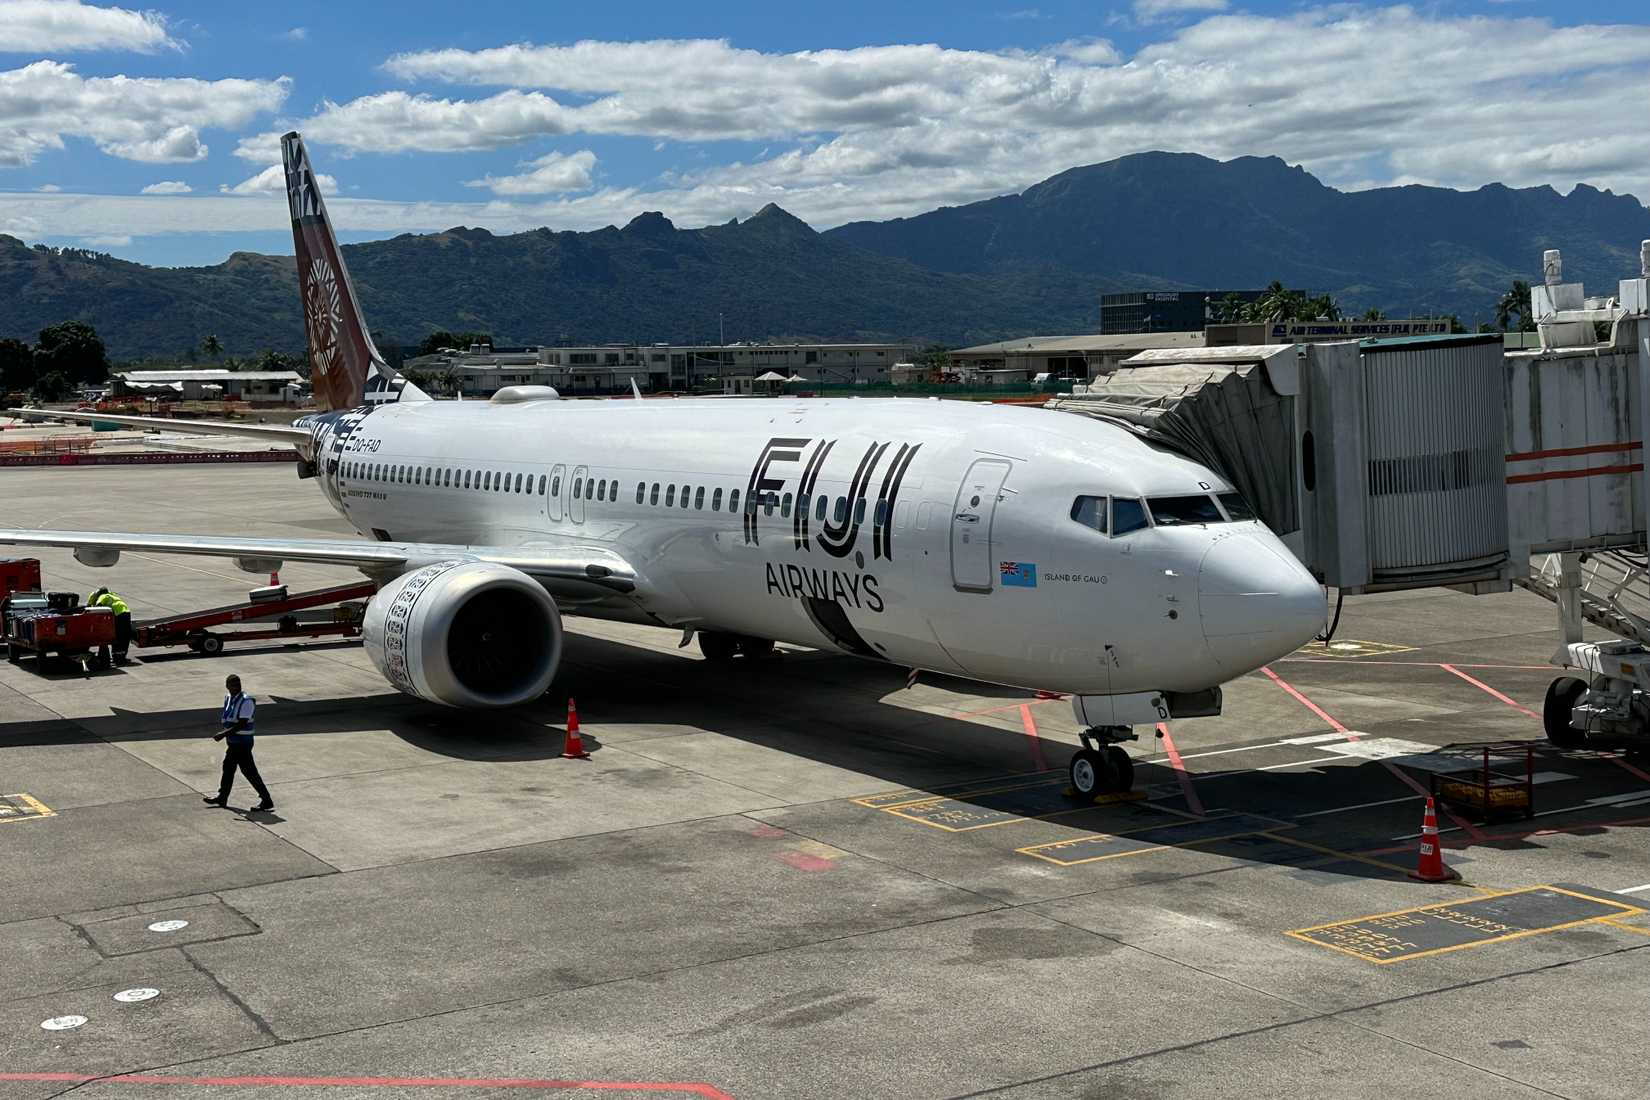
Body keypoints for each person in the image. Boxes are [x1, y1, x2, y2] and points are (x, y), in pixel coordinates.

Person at [203, 674, 274, 812]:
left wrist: (223, 734)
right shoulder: (229, 698)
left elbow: (242, 723)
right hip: (234, 742)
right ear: (227, 686)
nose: (236, 686)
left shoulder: (246, 701)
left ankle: (266, 800)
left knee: (248, 771)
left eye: (238, 684)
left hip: (243, 743)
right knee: (229, 768)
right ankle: (223, 797)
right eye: (233, 684)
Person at [87, 586, 133, 665]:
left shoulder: (103, 596)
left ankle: (117, 657)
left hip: (119, 614)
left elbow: (98, 608)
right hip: (126, 612)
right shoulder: (112, 595)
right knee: (125, 635)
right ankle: (120, 657)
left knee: (117, 635)